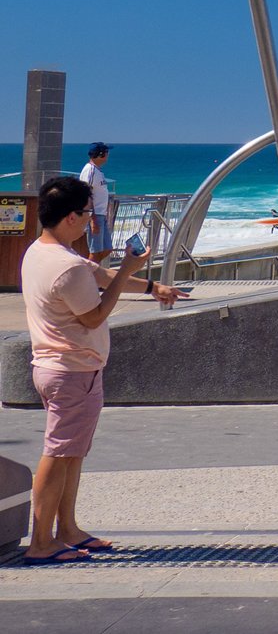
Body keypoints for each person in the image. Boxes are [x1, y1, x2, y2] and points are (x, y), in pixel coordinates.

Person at [22, 176, 183, 564]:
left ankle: (69, 530)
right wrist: (127, 270)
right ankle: (41, 542)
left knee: (72, 453)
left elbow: (96, 275)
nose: (92, 221)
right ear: (72, 217)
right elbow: (93, 315)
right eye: (88, 214)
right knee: (58, 454)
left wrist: (150, 287)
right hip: (71, 371)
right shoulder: (67, 267)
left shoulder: (40, 252)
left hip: (58, 368)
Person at [77, 144, 112, 263]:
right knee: (95, 251)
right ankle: (86, 276)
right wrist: (92, 218)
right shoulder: (90, 170)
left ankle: (91, 271)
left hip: (101, 214)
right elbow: (86, 193)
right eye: (106, 153)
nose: (108, 155)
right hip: (95, 215)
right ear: (101, 155)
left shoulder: (97, 171)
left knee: (107, 248)